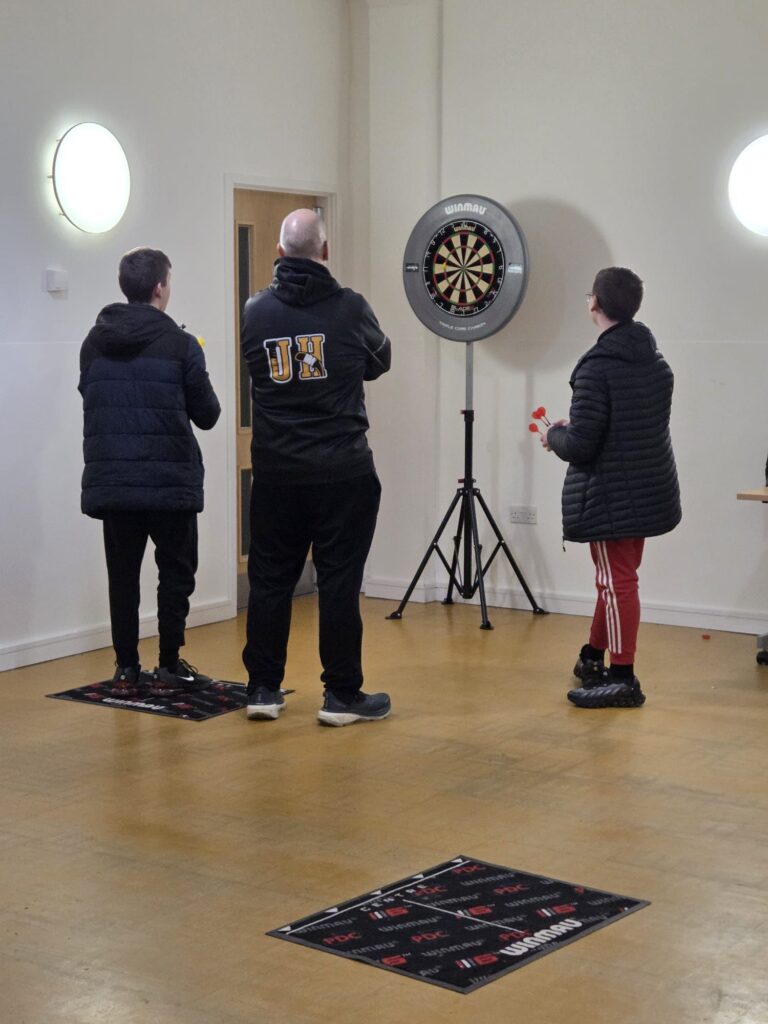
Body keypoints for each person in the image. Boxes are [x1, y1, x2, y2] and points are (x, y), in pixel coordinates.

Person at [241, 209, 391, 726]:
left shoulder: (255, 311)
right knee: (339, 582)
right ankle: (341, 695)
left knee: (269, 581)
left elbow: (257, 370)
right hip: (342, 471)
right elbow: (380, 360)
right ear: (325, 251)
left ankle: (263, 689)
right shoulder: (351, 308)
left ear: (279, 252)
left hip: (276, 473)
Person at [79, 247, 221, 696]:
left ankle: (126, 668)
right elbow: (208, 415)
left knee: (122, 576)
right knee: (175, 574)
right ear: (160, 287)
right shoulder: (181, 345)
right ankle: (169, 664)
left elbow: (91, 397)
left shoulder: (93, 343)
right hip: (169, 482)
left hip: (115, 482)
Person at [540, 267, 681, 708]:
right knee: (615, 580)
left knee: (616, 582)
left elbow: (582, 445)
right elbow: (626, 426)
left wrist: (554, 436)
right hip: (646, 487)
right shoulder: (655, 362)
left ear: (595, 303)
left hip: (610, 494)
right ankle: (592, 655)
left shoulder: (597, 367)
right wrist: (577, 424)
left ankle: (623, 678)